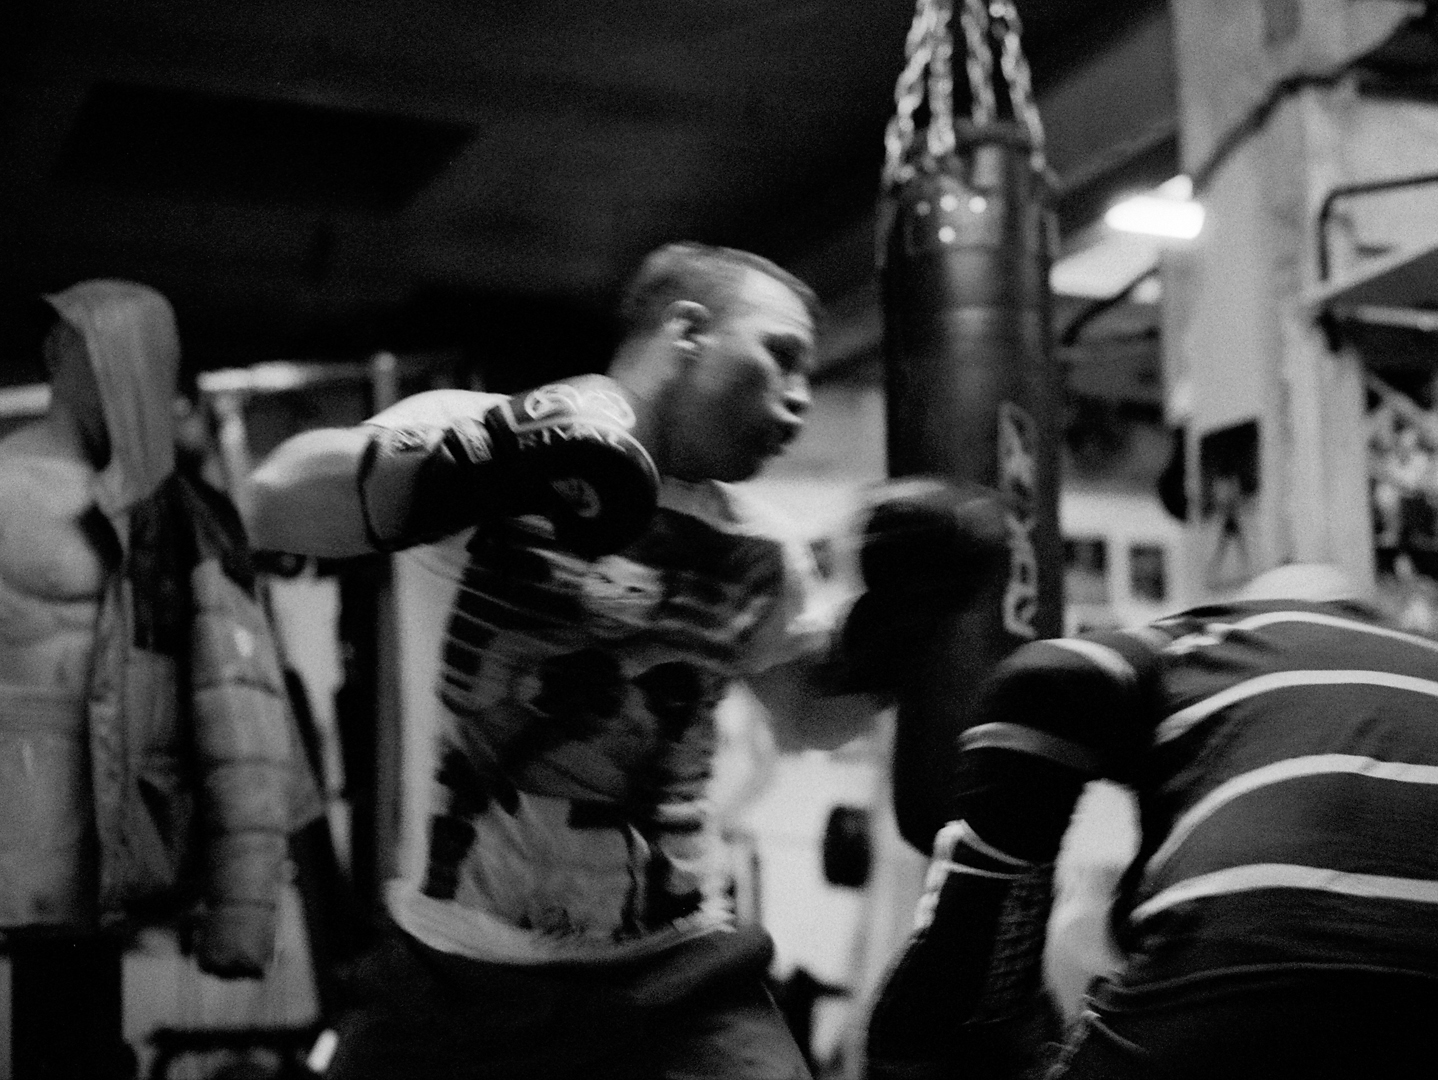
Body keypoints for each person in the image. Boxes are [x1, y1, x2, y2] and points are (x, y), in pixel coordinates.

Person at [245, 241, 1001, 1080]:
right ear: (687, 329)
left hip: (675, 978)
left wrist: (900, 631)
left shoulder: (761, 547)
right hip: (453, 974)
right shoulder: (476, 428)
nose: (798, 397)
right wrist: (498, 454)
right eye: (779, 356)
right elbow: (274, 502)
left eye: (806, 375)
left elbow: (809, 718)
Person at [865, 562, 1438, 1080]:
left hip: (1261, 951)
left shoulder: (1217, 640)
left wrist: (983, 980)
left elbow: (1048, 679)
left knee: (935, 1040)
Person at [0, 281, 311, 1079]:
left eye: (152, 358)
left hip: (112, 849)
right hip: (25, 837)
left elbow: (241, 716)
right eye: (108, 349)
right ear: (58, 353)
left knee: (74, 1046)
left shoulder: (180, 519)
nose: (132, 373)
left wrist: (242, 909)